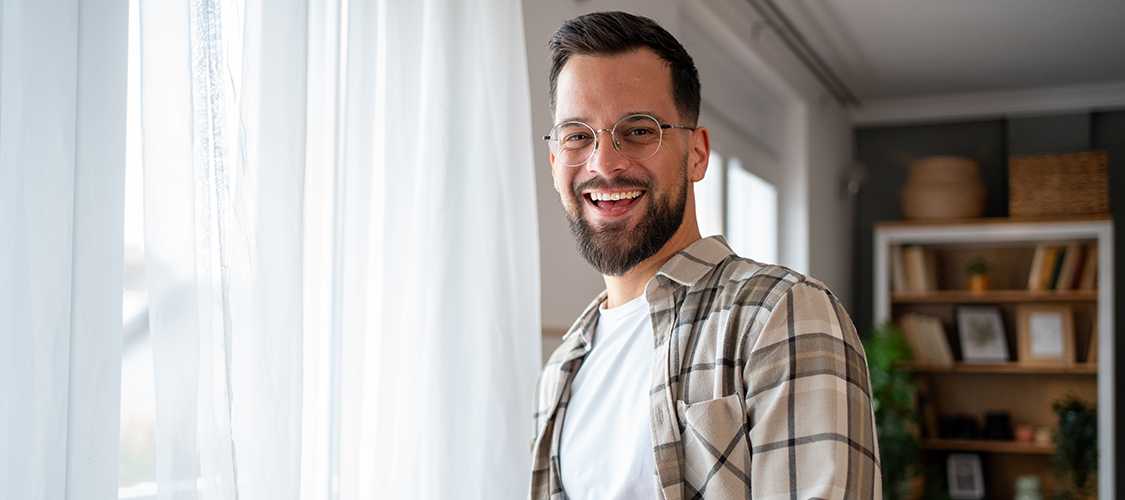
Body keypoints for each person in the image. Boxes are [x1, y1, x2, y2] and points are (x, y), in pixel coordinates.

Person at [528, 11, 881, 500]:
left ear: (696, 154)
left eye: (638, 130)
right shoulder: (561, 371)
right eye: (577, 135)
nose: (603, 162)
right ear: (554, 161)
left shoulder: (781, 316)